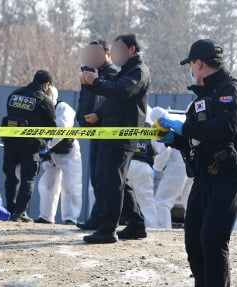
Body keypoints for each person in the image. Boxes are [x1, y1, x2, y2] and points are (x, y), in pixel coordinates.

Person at [157, 39, 237, 287]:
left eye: (190, 64)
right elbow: (199, 139)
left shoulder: (231, 90)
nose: (190, 70)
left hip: (232, 178)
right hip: (204, 178)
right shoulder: (203, 97)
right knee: (194, 242)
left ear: (199, 64)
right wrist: (176, 139)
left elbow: (226, 127)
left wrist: (185, 127)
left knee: (212, 239)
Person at [81, 34, 150, 244]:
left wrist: (96, 81)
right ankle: (136, 224)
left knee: (112, 181)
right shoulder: (126, 71)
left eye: (119, 48)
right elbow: (114, 99)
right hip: (111, 131)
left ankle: (107, 229)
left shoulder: (138, 71)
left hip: (122, 133)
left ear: (131, 49)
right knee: (117, 180)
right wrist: (98, 110)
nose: (116, 52)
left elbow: (123, 92)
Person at [2, 70, 56, 222]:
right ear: (46, 85)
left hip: (10, 142)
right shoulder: (44, 100)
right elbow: (52, 128)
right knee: (28, 178)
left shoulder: (14, 94)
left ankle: (10, 210)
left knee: (11, 177)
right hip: (30, 145)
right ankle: (19, 213)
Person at [76, 40, 118, 230]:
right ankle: (100, 217)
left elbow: (112, 100)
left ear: (108, 55)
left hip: (106, 131)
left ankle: (103, 219)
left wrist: (99, 115)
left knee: (104, 179)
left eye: (97, 53)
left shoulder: (112, 75)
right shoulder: (90, 74)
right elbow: (86, 99)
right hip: (94, 130)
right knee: (97, 178)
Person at [35, 86, 82, 225]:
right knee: (47, 184)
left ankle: (70, 218)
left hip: (68, 152)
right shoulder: (41, 108)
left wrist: (47, 145)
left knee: (71, 185)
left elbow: (62, 129)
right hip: (50, 153)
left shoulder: (63, 108)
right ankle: (46, 216)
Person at [150, 107, 189, 229]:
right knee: (190, 201)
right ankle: (195, 228)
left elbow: (164, 152)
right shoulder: (180, 120)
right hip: (191, 166)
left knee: (162, 201)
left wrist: (156, 169)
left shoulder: (160, 127)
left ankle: (163, 229)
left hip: (176, 168)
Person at [126, 127, 158, 228]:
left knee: (119, 197)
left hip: (124, 164)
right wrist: (157, 167)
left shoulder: (122, 123)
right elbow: (160, 150)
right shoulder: (148, 128)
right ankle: (151, 227)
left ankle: (108, 224)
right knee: (147, 201)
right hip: (143, 166)